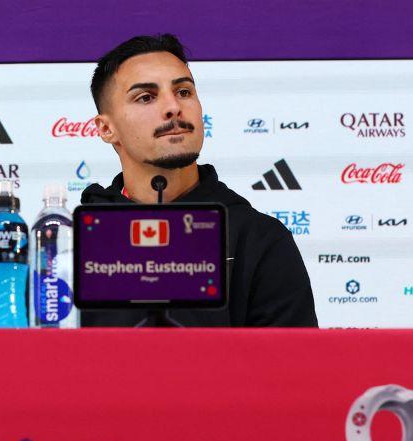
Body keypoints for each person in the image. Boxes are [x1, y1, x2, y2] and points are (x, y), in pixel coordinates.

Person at [79, 34, 317, 327]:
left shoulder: (260, 238)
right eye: (146, 97)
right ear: (106, 129)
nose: (173, 107)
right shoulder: (73, 245)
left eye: (183, 92)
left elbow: (291, 369)